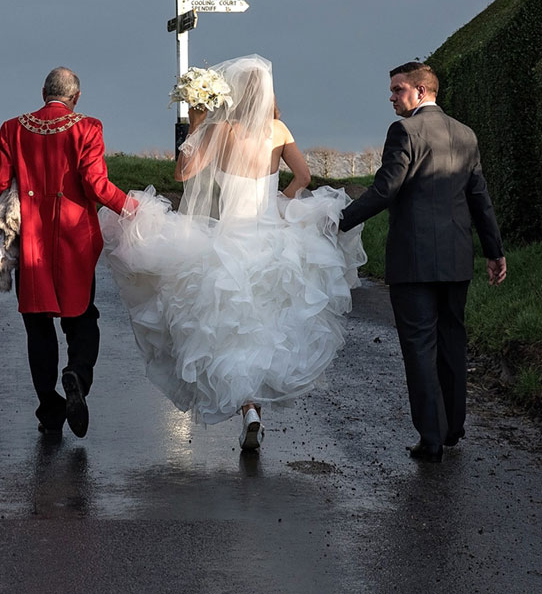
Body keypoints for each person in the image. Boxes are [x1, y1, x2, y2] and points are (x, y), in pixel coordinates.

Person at [99, 54, 366, 450]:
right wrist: (282, 199)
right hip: (271, 235)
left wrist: (194, 123)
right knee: (262, 327)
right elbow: (305, 177)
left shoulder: (221, 130)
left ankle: (248, 408)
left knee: (226, 330)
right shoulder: (278, 129)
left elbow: (183, 174)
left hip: (227, 237)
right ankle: (253, 408)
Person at [339, 61, 506, 463]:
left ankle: (431, 438)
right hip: (456, 257)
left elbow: (386, 188)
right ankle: (452, 428)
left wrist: (338, 221)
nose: (392, 97)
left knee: (419, 346)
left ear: (420, 91)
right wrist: (494, 250)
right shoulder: (465, 134)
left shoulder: (404, 131)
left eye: (398, 89)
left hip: (413, 259)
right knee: (452, 341)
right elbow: (478, 197)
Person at [0, 66, 131, 438]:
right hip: (74, 237)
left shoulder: (12, 128)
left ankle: (49, 410)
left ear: (43, 92)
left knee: (38, 326)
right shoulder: (88, 127)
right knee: (82, 317)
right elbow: (96, 184)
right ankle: (77, 375)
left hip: (32, 239)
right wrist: (131, 208)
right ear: (76, 97)